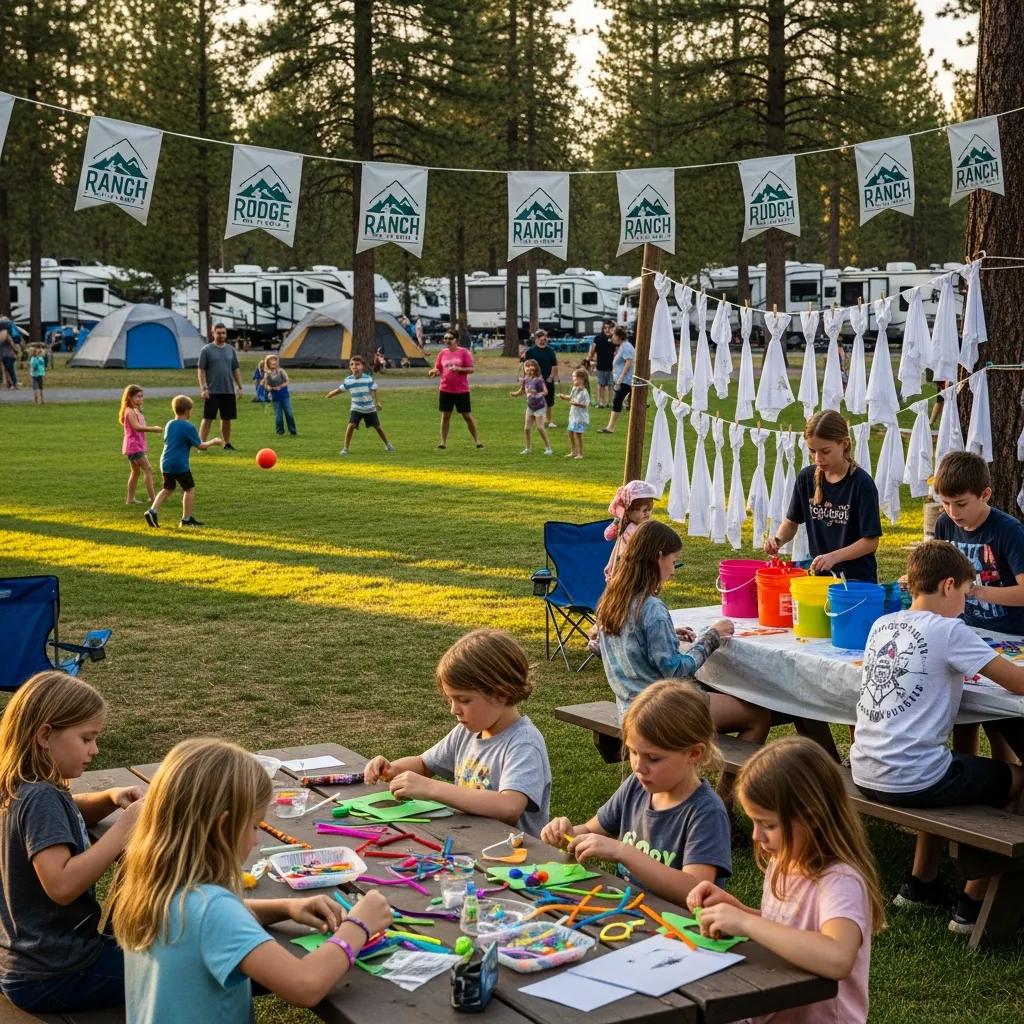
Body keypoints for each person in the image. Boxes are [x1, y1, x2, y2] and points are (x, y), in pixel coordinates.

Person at [108, 738, 392, 1024]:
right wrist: (358, 926)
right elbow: (304, 986)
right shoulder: (213, 911)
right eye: (254, 825)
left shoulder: (153, 886)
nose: (256, 840)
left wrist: (285, 908)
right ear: (223, 826)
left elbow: (207, 927)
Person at [850, 540, 1024, 935]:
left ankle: (920, 882)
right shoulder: (950, 630)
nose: (965, 605)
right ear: (948, 586)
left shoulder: (884, 624)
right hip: (913, 776)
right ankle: (973, 902)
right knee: (1017, 778)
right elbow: (1017, 682)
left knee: (943, 763)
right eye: (964, 594)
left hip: (866, 769)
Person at [688, 737, 884, 1024]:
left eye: (768, 825)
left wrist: (746, 923)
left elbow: (838, 957)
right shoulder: (784, 860)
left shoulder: (840, 881)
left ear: (812, 817)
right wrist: (736, 912)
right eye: (753, 822)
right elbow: (787, 930)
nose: (756, 836)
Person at [0, 672, 145, 1013]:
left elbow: (67, 816)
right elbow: (62, 885)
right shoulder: (41, 798)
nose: (95, 749)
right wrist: (125, 827)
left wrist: (109, 798)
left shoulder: (20, 787)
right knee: (187, 970)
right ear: (45, 735)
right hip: (56, 972)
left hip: (25, 959)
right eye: (86, 738)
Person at [541, 681, 732, 905]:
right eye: (633, 752)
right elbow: (593, 831)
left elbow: (695, 889)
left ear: (693, 754)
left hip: (677, 929)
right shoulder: (637, 786)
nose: (639, 766)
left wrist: (624, 852)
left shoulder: (706, 812)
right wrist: (566, 834)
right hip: (628, 911)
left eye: (653, 758)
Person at [596, 520, 771, 758]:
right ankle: (725, 795)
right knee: (760, 717)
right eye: (672, 560)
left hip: (628, 709)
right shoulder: (651, 609)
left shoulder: (610, 600)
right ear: (658, 557)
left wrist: (668, 633)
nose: (673, 569)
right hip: (664, 710)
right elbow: (676, 670)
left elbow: (620, 643)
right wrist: (712, 636)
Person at [363, 628, 551, 836]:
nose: (454, 709)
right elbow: (425, 764)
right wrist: (393, 769)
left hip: (516, 860)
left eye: (464, 700)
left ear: (501, 693)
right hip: (467, 845)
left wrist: (432, 789)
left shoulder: (523, 743)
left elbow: (508, 807)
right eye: (450, 700)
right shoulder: (467, 732)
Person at [932, 451, 1024, 765]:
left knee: (1000, 718)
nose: (952, 512)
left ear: (985, 494)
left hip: (1012, 637)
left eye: (960, 503)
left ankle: (1010, 783)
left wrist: (978, 591)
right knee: (963, 708)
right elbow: (939, 570)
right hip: (968, 632)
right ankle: (966, 765)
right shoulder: (945, 524)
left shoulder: (1008, 531)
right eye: (945, 503)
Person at [765, 409, 882, 581]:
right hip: (820, 580)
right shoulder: (806, 478)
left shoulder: (861, 484)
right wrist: (778, 539)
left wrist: (834, 557)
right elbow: (791, 522)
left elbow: (871, 542)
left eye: (825, 451)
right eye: (812, 451)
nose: (818, 458)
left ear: (844, 443)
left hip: (857, 582)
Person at [144, 394, 222, 529]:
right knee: (189, 489)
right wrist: (214, 441)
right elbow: (201, 446)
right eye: (190, 410)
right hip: (179, 464)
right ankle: (186, 520)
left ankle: (152, 511)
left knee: (167, 488)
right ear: (187, 411)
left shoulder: (169, 424)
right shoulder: (188, 427)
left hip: (166, 462)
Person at [326, 354, 394, 455]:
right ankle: (345, 448)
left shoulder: (368, 379)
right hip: (356, 408)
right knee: (351, 425)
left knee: (378, 427)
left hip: (369, 409)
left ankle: (388, 445)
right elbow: (340, 389)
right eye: (352, 364)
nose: (354, 367)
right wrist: (331, 394)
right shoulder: (348, 380)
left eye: (357, 364)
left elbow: (375, 388)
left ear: (362, 366)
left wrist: (377, 402)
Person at [428, 330, 483, 450]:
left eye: (450, 338)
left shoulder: (464, 352)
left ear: (456, 340)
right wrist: (434, 372)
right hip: (445, 389)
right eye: (445, 338)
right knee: (445, 415)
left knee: (467, 416)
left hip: (461, 390)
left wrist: (459, 369)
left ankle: (478, 441)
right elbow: (438, 368)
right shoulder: (442, 353)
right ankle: (442, 443)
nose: (447, 340)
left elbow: (471, 369)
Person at [198, 323, 242, 452]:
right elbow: (201, 370)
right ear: (213, 333)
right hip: (212, 391)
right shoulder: (206, 350)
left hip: (228, 390)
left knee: (227, 418)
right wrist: (204, 388)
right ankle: (201, 445)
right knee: (208, 418)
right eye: (219, 333)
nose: (221, 335)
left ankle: (227, 443)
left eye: (223, 333)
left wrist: (239, 386)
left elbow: (235, 369)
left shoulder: (231, 350)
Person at [603, 479, 658, 581]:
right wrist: (617, 521)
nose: (647, 513)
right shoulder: (628, 527)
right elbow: (607, 535)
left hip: (633, 569)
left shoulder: (645, 527)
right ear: (628, 511)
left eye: (649, 510)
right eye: (643, 510)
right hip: (626, 570)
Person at [118, 384, 163, 506]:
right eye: (138, 396)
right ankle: (153, 499)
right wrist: (154, 429)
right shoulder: (129, 412)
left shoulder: (136, 410)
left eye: (141, 396)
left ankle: (130, 500)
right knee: (148, 469)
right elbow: (137, 428)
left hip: (136, 445)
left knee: (136, 472)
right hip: (134, 446)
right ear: (130, 397)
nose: (140, 399)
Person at [509, 358, 552, 455]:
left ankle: (548, 448)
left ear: (536, 368)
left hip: (540, 407)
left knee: (540, 428)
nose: (528, 369)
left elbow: (545, 392)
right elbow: (522, 391)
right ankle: (528, 448)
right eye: (527, 367)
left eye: (531, 367)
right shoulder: (525, 379)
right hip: (530, 407)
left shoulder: (539, 380)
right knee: (527, 428)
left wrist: (538, 394)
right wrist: (514, 394)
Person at [599, 326, 634, 433]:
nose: (612, 337)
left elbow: (629, 362)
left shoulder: (626, 346)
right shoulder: (623, 346)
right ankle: (611, 427)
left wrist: (621, 377)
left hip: (625, 381)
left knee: (617, 401)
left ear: (618, 336)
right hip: (622, 380)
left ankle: (611, 428)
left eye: (613, 335)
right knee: (619, 402)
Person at [523, 330, 559, 428]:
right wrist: (527, 378)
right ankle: (534, 419)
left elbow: (554, 365)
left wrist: (551, 377)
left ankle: (549, 421)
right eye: (542, 337)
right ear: (537, 339)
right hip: (535, 381)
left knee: (549, 402)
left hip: (548, 380)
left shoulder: (550, 351)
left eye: (545, 337)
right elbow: (526, 366)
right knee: (534, 400)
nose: (544, 339)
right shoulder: (530, 352)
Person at [559, 367, 591, 459]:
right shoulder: (574, 388)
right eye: (573, 378)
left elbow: (585, 405)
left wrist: (575, 403)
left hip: (580, 418)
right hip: (573, 417)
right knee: (570, 433)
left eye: (575, 378)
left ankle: (580, 454)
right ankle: (573, 452)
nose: (573, 380)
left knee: (579, 435)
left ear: (582, 379)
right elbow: (570, 397)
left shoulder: (585, 392)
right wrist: (563, 397)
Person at [261, 354, 297, 437]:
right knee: (278, 416)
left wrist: (280, 386)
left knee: (289, 413)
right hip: (275, 397)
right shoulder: (267, 374)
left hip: (284, 396)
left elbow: (287, 381)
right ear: (268, 364)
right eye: (271, 362)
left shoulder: (281, 371)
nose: (274, 363)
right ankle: (280, 432)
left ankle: (293, 431)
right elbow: (265, 385)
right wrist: (269, 388)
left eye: (275, 361)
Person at [586, 320, 616, 408]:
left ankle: (610, 402)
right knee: (601, 384)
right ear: (603, 329)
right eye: (605, 328)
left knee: (611, 384)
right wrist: (589, 359)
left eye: (609, 328)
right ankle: (600, 402)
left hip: (612, 366)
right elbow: (592, 350)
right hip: (601, 366)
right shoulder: (598, 338)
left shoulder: (615, 339)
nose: (607, 330)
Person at [0, 316, 20, 389]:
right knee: (8, 369)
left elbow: (11, 343)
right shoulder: (6, 332)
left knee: (9, 369)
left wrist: (15, 351)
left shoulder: (7, 333)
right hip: (5, 353)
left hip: (7, 354)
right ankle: (9, 383)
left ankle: (13, 383)